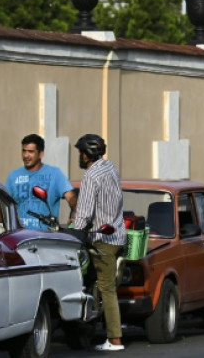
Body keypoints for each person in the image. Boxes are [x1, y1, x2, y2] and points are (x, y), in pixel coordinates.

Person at [71, 134, 126, 352]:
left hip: (101, 239)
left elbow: (84, 213)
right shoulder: (110, 167)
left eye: (80, 152)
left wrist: (74, 233)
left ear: (87, 154)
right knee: (102, 286)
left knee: (107, 289)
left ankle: (115, 340)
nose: (79, 156)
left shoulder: (91, 176)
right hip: (117, 235)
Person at [5, 134, 77, 230]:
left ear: (41, 154)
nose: (26, 155)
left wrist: (74, 216)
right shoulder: (13, 176)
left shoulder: (55, 174)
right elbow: (4, 204)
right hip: (20, 236)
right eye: (24, 151)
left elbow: (71, 197)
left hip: (45, 237)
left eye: (31, 152)